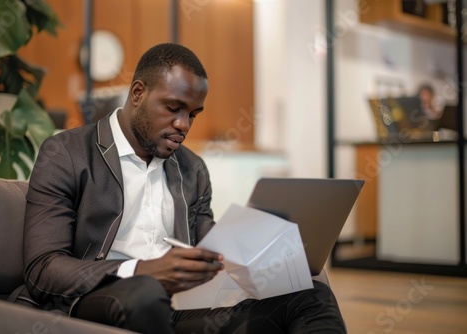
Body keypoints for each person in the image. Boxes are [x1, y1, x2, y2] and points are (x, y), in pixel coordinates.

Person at [23, 43, 346, 333]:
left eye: (193, 114)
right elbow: (43, 269)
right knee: (145, 292)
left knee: (311, 294)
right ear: (138, 93)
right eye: (173, 108)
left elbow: (210, 242)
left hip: (175, 311)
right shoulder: (67, 152)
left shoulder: (191, 168)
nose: (184, 125)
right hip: (95, 302)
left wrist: (263, 252)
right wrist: (143, 270)